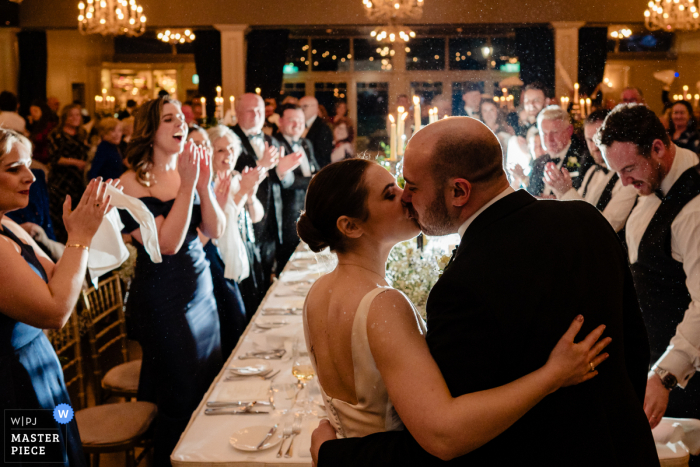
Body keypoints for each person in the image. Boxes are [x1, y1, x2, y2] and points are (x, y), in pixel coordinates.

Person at [310, 117, 658, 467]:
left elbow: (451, 438)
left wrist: (337, 456)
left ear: (459, 191)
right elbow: (636, 347)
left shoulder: (462, 286)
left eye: (412, 186)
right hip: (628, 451)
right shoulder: (586, 219)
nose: (406, 197)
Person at [119, 97, 226, 467]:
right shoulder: (130, 183)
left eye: (181, 117)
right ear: (150, 131)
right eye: (169, 119)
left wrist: (204, 185)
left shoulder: (189, 171)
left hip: (200, 288)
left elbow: (215, 228)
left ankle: (204, 458)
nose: (180, 123)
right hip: (163, 296)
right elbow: (165, 245)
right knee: (180, 395)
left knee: (207, 381)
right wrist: (186, 188)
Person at [0, 128, 115, 467]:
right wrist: (79, 235)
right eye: (14, 168)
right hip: (15, 381)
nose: (30, 176)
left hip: (40, 366)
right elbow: (56, 311)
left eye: (29, 165)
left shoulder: (9, 226)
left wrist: (83, 228)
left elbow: (58, 277)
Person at [596, 104, 700, 446]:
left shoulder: (694, 208)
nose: (624, 182)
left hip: (687, 377)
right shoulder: (646, 179)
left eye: (628, 170)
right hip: (653, 356)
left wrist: (666, 375)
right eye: (618, 173)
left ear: (658, 147)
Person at [187, 126, 252, 357]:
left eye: (205, 145)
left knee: (236, 326)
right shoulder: (196, 186)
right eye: (219, 149)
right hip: (207, 264)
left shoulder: (221, 181)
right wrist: (226, 201)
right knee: (232, 329)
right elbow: (203, 237)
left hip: (226, 259)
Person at [232, 93, 302, 290]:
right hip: (246, 218)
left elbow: (286, 181)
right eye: (250, 110)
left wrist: (282, 172)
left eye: (259, 111)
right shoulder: (230, 140)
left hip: (273, 220)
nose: (256, 115)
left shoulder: (273, 140)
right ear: (237, 113)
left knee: (268, 279)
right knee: (249, 282)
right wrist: (261, 165)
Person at [543, 109, 638, 234]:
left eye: (600, 139)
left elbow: (606, 226)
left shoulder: (629, 179)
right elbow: (575, 214)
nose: (595, 147)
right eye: (590, 140)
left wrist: (566, 191)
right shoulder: (592, 170)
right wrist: (559, 191)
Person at [274, 103, 319, 270]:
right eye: (292, 120)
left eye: (300, 120)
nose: (297, 124)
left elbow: (315, 168)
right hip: (287, 215)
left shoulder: (306, 143)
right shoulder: (275, 144)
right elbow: (288, 181)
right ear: (280, 121)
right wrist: (314, 180)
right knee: (287, 264)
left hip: (309, 212)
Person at [48, 104, 90, 243]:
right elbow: (54, 158)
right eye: (71, 115)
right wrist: (76, 162)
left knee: (77, 216)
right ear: (65, 117)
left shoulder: (82, 134)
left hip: (78, 181)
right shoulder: (57, 134)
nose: (75, 118)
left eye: (77, 115)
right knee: (61, 216)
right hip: (61, 181)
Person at [527, 105, 588, 197]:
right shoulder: (538, 162)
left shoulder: (583, 159)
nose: (549, 139)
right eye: (544, 133)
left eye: (555, 132)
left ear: (569, 130)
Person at [505, 82, 550, 174]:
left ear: (546, 102)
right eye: (527, 100)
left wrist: (528, 152)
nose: (531, 104)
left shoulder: (550, 129)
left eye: (536, 100)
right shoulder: (522, 127)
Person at [300, 96, 334, 168]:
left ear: (315, 108)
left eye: (305, 106)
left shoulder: (323, 128)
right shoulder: (300, 126)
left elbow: (323, 156)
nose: (301, 109)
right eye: (299, 106)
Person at [26, 100, 56, 167]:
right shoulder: (36, 125)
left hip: (45, 161)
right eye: (31, 112)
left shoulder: (49, 125)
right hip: (37, 159)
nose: (33, 114)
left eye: (35, 111)